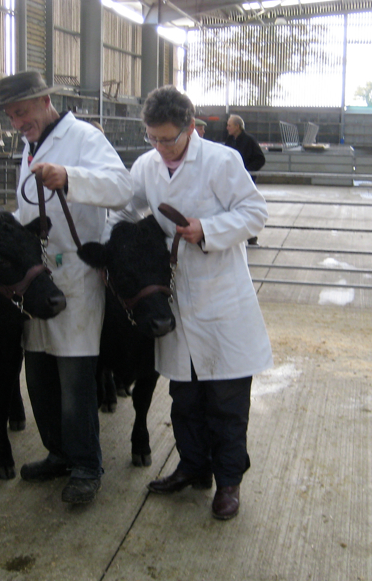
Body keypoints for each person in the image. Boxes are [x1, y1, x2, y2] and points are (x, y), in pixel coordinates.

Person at [107, 85, 273, 520]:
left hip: (221, 297)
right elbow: (123, 211)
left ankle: (229, 482)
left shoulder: (221, 161)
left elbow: (254, 212)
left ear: (190, 127)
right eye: (153, 138)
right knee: (185, 398)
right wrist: (117, 245)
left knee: (226, 402)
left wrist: (209, 229)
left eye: (169, 139)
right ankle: (193, 467)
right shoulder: (145, 166)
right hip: (174, 299)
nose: (161, 148)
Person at [0, 71, 132, 504]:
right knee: (39, 375)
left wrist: (70, 177)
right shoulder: (29, 145)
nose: (17, 122)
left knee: (74, 380)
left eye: (22, 112)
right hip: (36, 278)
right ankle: (59, 454)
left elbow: (122, 188)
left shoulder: (84, 138)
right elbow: (27, 209)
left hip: (74, 275)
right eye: (11, 116)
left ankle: (87, 465)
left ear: (45, 101)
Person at [225, 114, 265, 245]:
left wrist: (246, 171)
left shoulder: (249, 140)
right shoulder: (230, 141)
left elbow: (260, 159)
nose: (227, 128)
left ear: (237, 126)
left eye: (229, 125)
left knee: (246, 208)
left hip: (245, 181)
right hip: (231, 180)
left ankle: (251, 237)